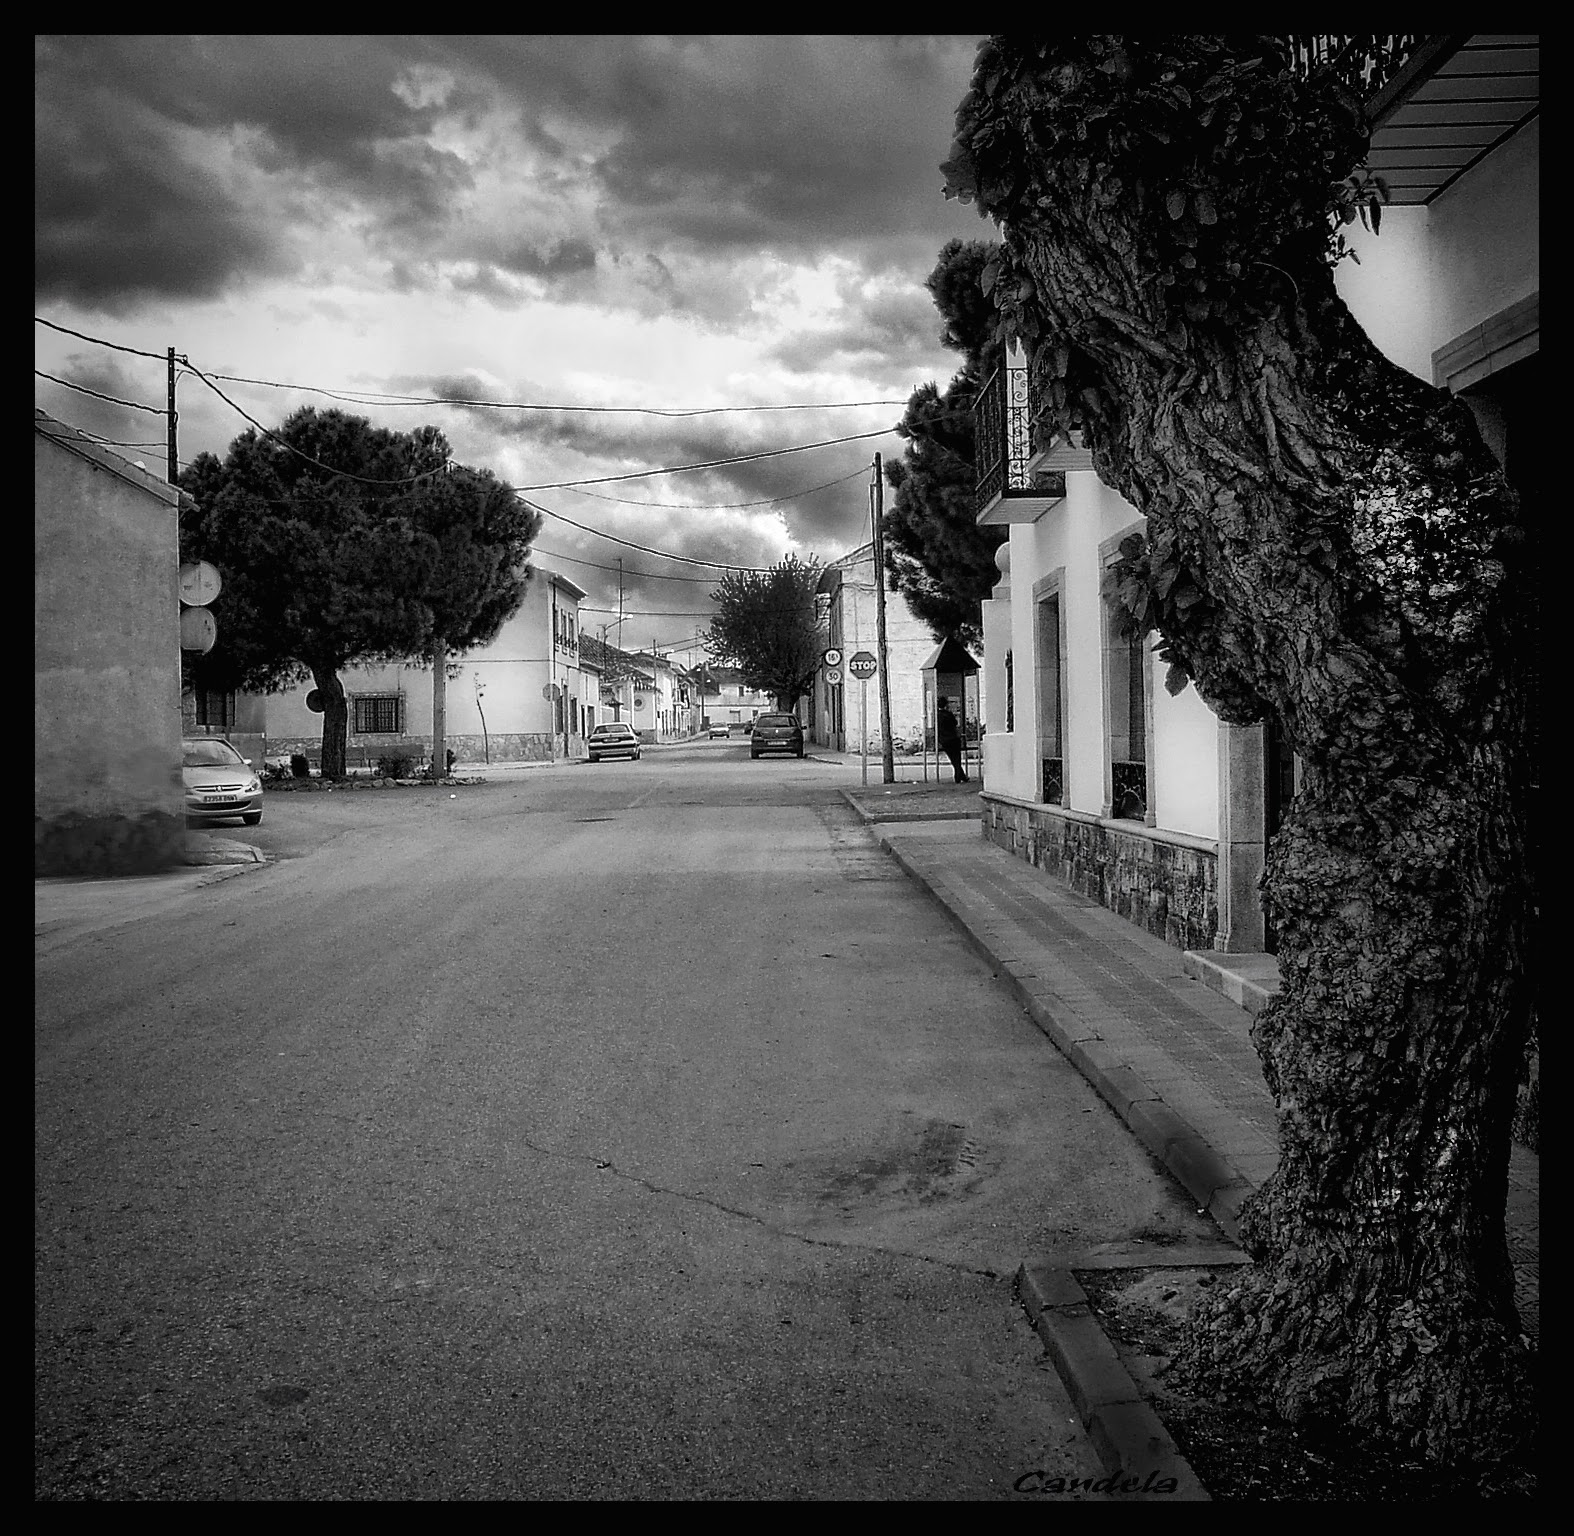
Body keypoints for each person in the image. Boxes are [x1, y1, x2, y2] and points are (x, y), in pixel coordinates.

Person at [937, 697, 969, 783]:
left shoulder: (937, 716)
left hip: (944, 740)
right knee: (957, 759)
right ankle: (959, 776)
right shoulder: (948, 714)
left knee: (953, 759)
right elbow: (955, 723)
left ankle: (961, 776)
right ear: (946, 705)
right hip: (953, 738)